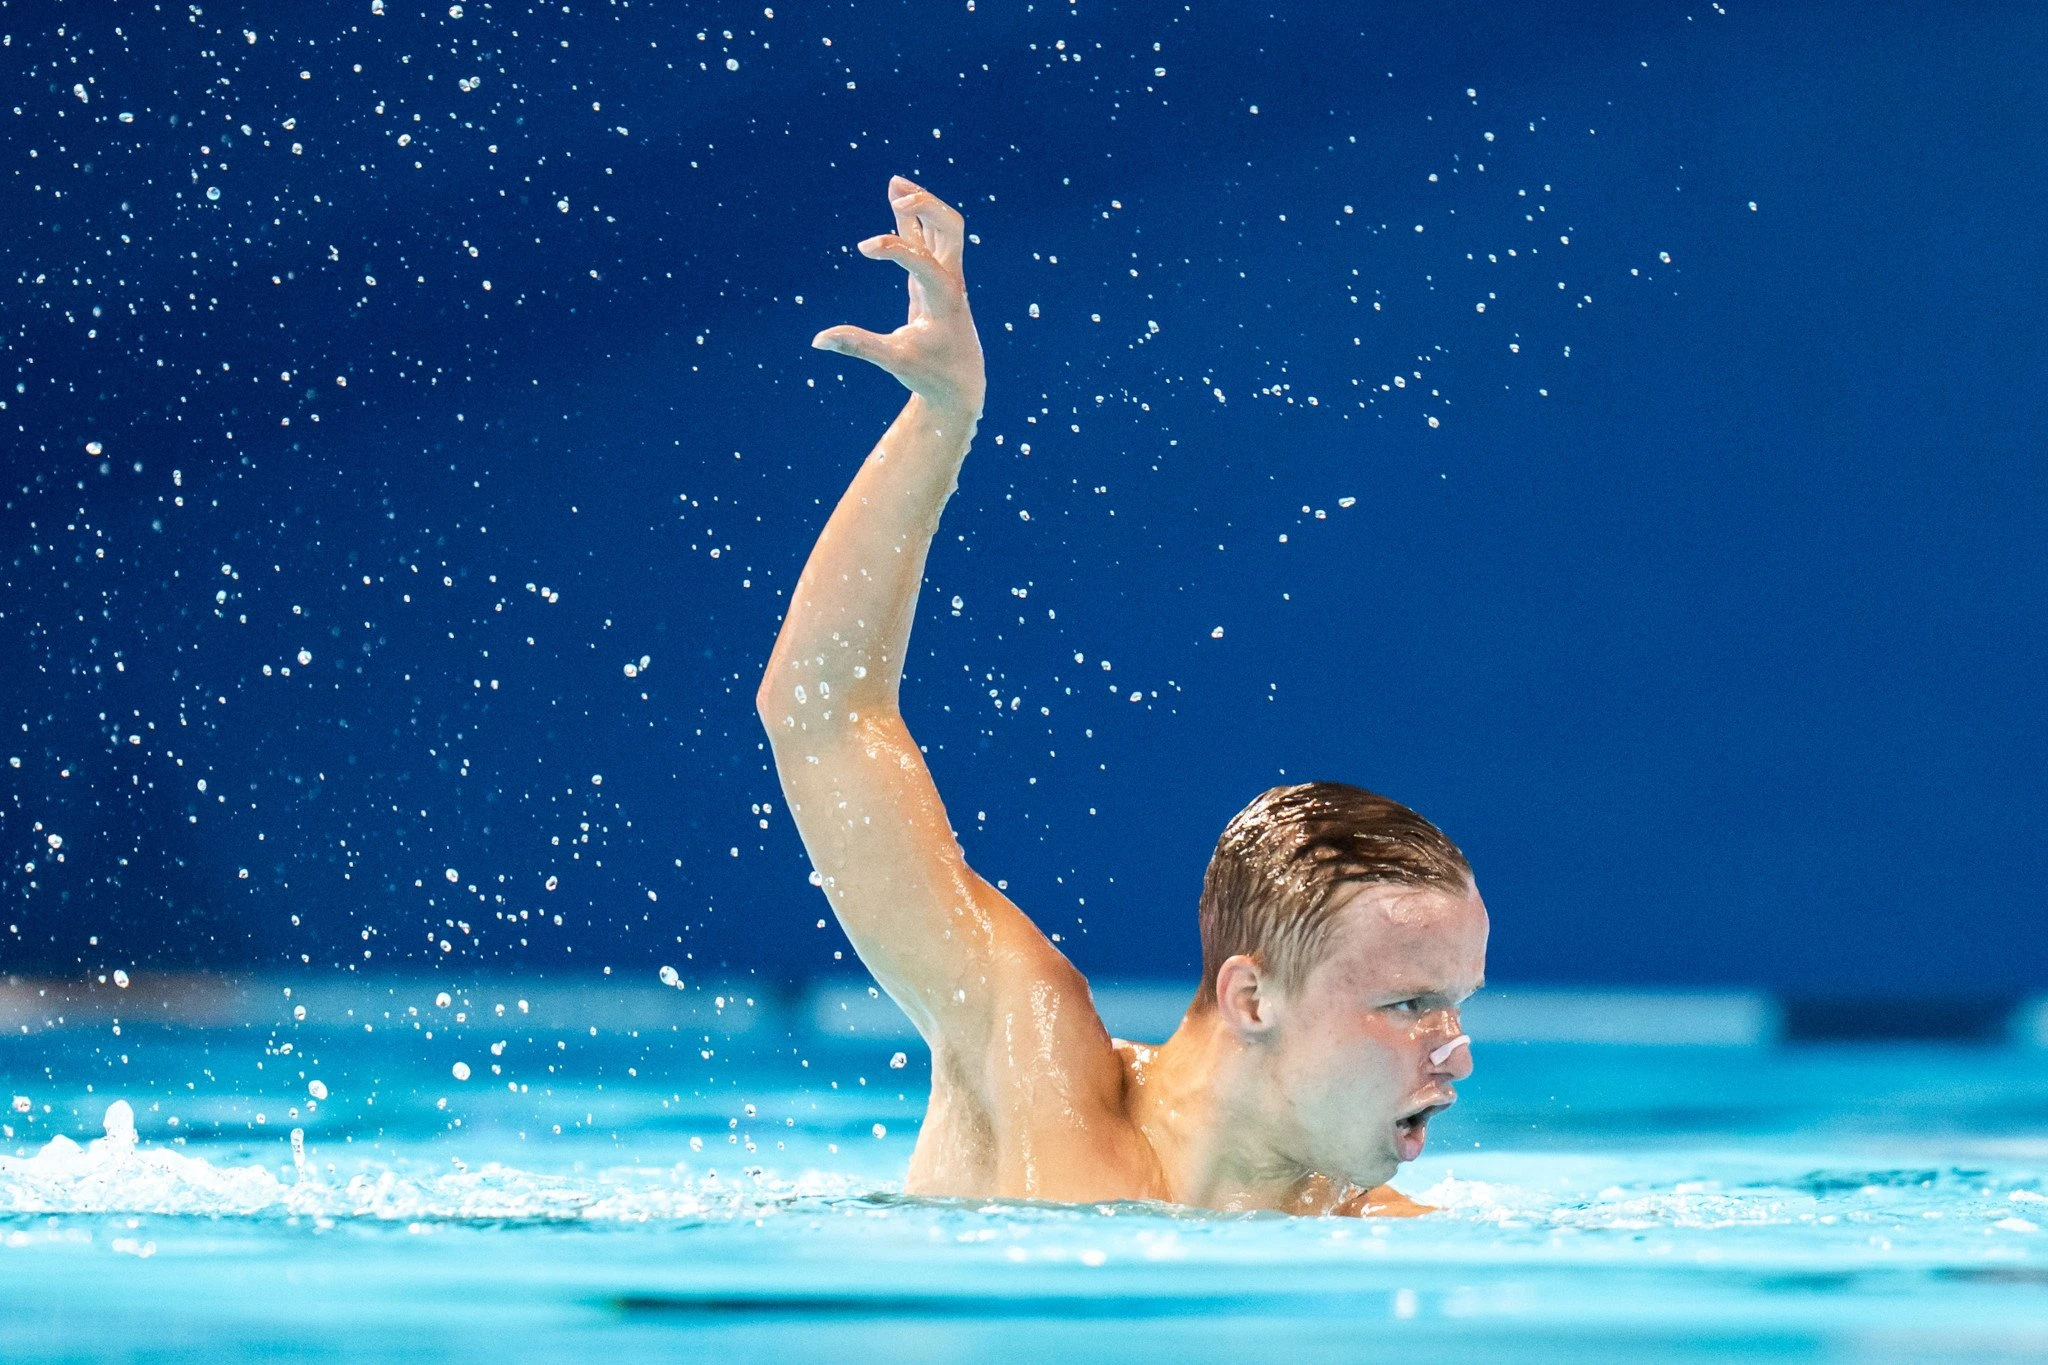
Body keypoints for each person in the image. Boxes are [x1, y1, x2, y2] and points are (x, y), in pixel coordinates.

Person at [756, 175, 1488, 1216]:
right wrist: (940, 426)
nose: (1454, 1056)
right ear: (1250, 996)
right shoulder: (1033, 1058)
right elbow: (821, 718)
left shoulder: (1381, 1239)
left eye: (1455, 1005)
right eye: (1411, 1004)